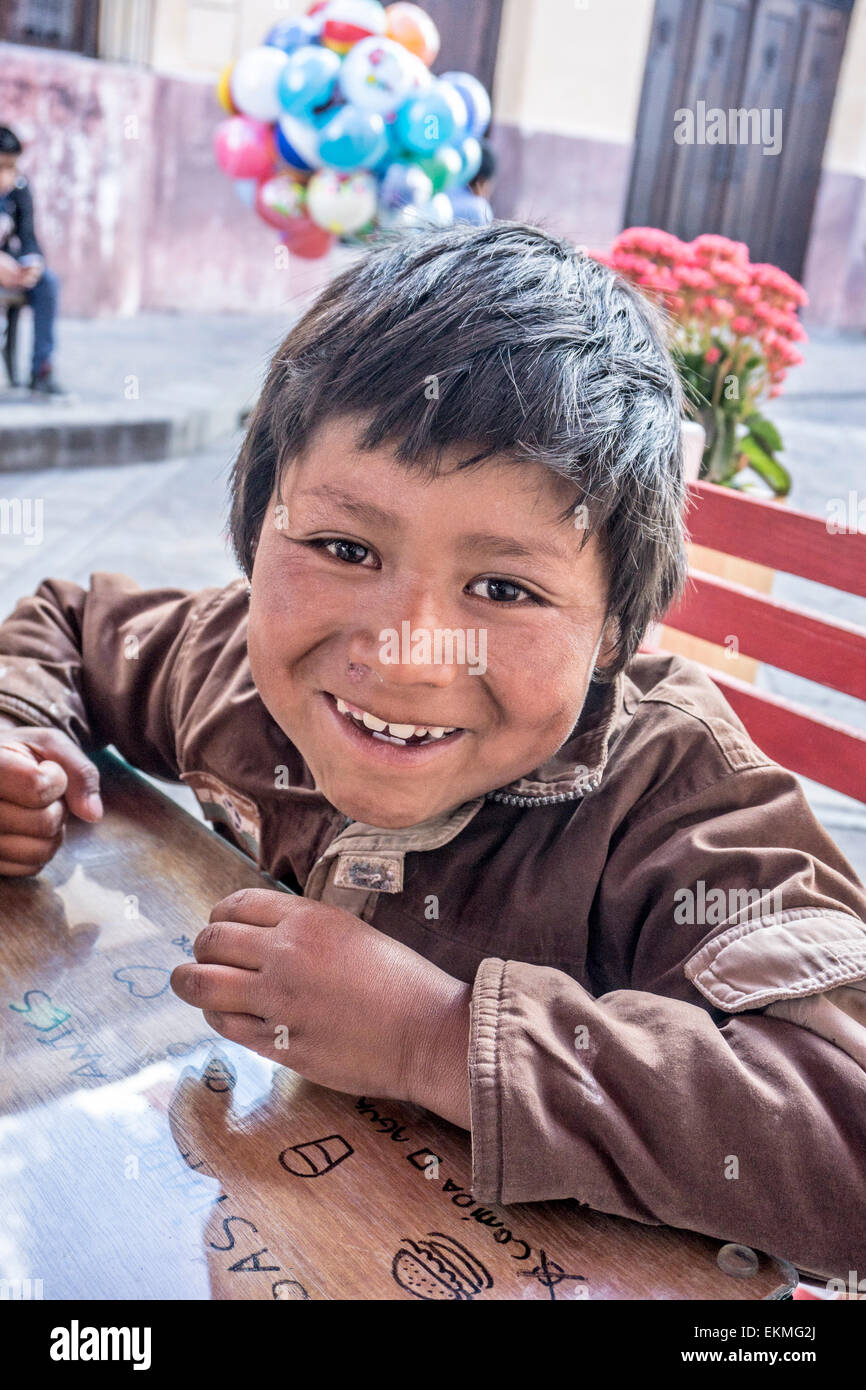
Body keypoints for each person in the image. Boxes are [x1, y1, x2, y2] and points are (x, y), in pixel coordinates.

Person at [0, 221, 863, 1280]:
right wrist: (23, 733)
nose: (404, 657)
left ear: (609, 631)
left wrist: (437, 1037)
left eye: (502, 588)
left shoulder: (677, 796)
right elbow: (70, 621)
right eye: (343, 547)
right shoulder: (231, 665)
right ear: (256, 530)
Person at [0, 125, 63, 393]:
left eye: (13, 167)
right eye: (3, 166)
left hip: (9, 266)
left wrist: (32, 263)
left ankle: (42, 369)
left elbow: (28, 236)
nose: (9, 175)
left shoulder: (19, 188)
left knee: (47, 282)